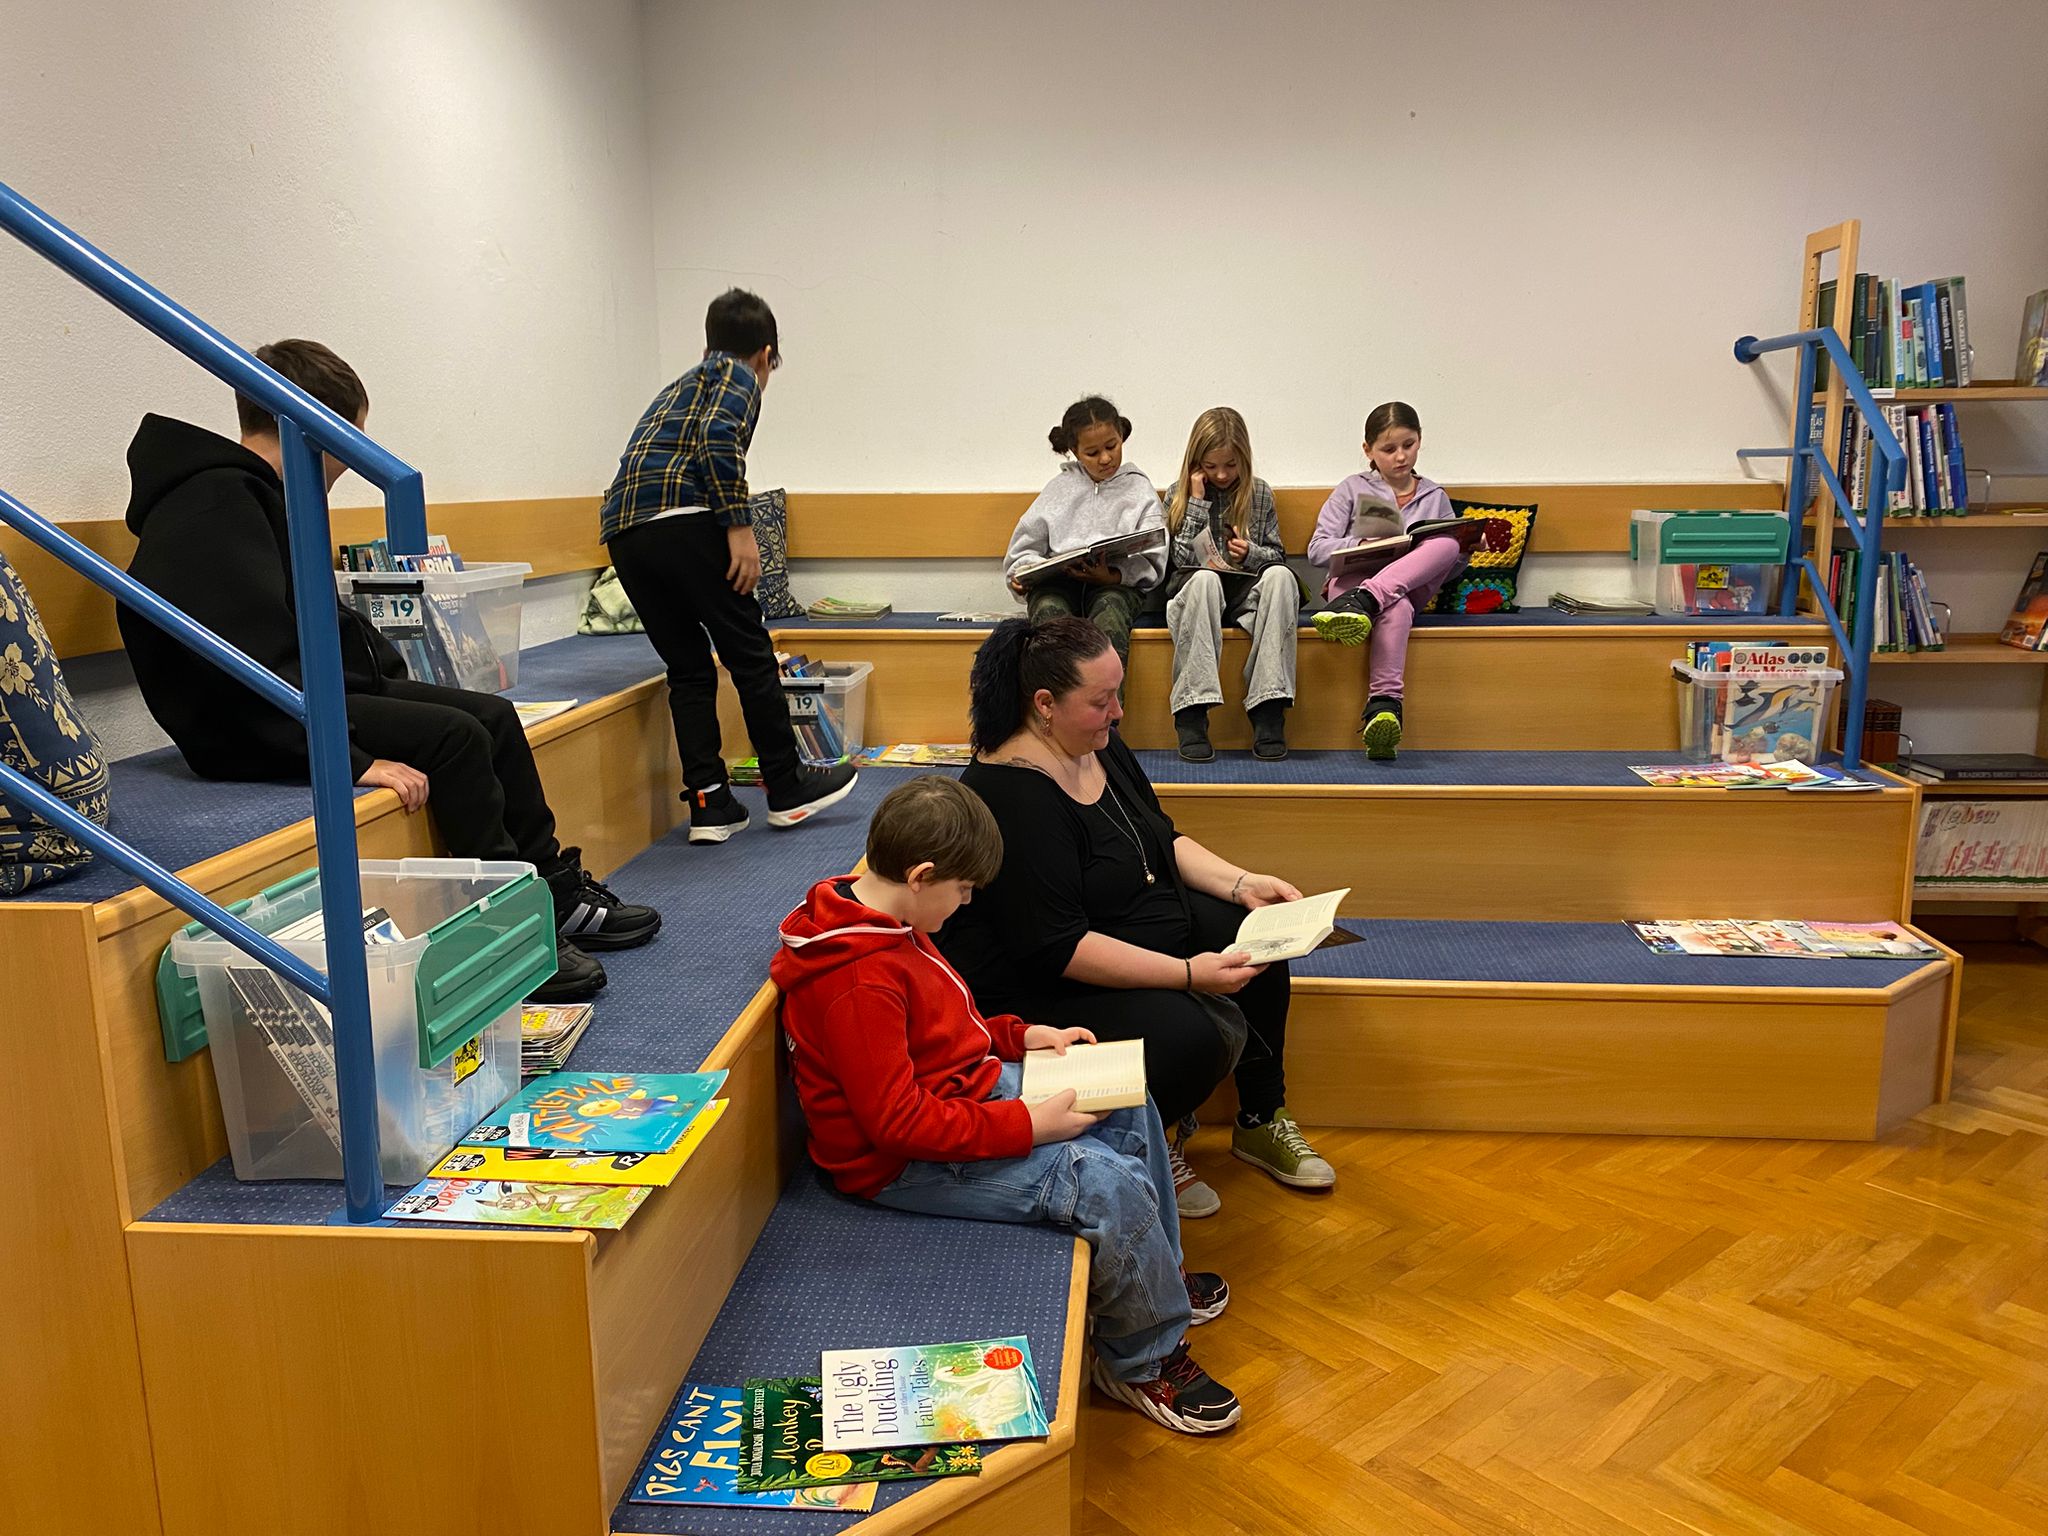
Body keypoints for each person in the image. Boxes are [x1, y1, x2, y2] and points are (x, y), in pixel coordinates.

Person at [119, 339, 657, 1001]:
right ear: (315, 427)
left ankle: (551, 891)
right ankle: (506, 933)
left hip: (306, 694)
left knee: (491, 714)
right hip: (249, 724)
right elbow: (238, 675)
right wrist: (348, 759)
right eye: (351, 435)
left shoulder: (258, 494)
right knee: (455, 739)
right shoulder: (217, 503)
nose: (355, 455)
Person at [772, 775, 1242, 1435]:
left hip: (960, 1093)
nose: (967, 903)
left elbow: (942, 1025)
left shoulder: (888, 918)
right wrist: (1026, 1125)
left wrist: (1020, 1036)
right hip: (900, 1163)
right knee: (1100, 1181)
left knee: (1126, 1094)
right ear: (922, 876)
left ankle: (1155, 1273)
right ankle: (1143, 1362)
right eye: (964, 890)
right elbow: (895, 1124)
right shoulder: (859, 977)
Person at [938, 617, 1335, 1222]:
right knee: (1188, 1038)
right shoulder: (1010, 795)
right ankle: (1145, 1140)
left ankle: (1260, 1118)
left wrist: (1241, 882)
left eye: (1116, 695)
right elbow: (1058, 947)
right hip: (1048, 982)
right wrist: (1187, 974)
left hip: (1127, 928)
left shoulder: (1094, 741)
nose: (1118, 712)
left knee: (1255, 941)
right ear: (1044, 704)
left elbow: (1160, 837)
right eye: (1101, 701)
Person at [599, 288, 857, 845]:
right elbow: (718, 442)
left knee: (688, 668)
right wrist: (740, 529)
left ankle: (710, 802)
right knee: (749, 654)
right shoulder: (738, 375)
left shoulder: (678, 387)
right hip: (687, 523)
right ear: (766, 355)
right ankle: (787, 786)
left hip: (625, 534)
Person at [1305, 401, 1469, 760]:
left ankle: (1368, 600)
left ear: (1420, 440)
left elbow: (1445, 568)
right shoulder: (1351, 489)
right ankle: (1384, 706)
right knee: (1396, 609)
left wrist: (1465, 551)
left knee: (1446, 543)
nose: (1401, 457)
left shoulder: (1434, 496)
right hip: (1354, 581)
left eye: (1408, 445)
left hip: (1402, 587)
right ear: (1368, 450)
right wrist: (1362, 544)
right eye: (1389, 449)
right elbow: (1317, 549)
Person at [1160, 407, 1299, 762]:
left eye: (1231, 465)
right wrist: (1195, 503)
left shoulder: (1260, 493)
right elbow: (1176, 560)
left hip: (1242, 592)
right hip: (1196, 593)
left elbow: (1277, 555)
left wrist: (1251, 554)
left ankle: (1268, 708)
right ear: (1196, 462)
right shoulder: (1178, 493)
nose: (1221, 475)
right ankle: (1192, 712)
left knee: (1282, 577)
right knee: (1205, 579)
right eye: (1211, 466)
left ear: (1244, 460)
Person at [1003, 396, 1165, 673]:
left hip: (1115, 587)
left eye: (1111, 446)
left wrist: (1112, 575)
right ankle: (1059, 697)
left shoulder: (1139, 490)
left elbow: (1153, 556)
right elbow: (1024, 548)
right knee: (1048, 610)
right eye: (1092, 453)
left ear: (1121, 437)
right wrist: (1021, 574)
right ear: (1075, 452)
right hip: (1058, 584)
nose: (1105, 458)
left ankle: (1107, 701)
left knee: (1109, 609)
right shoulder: (1058, 489)